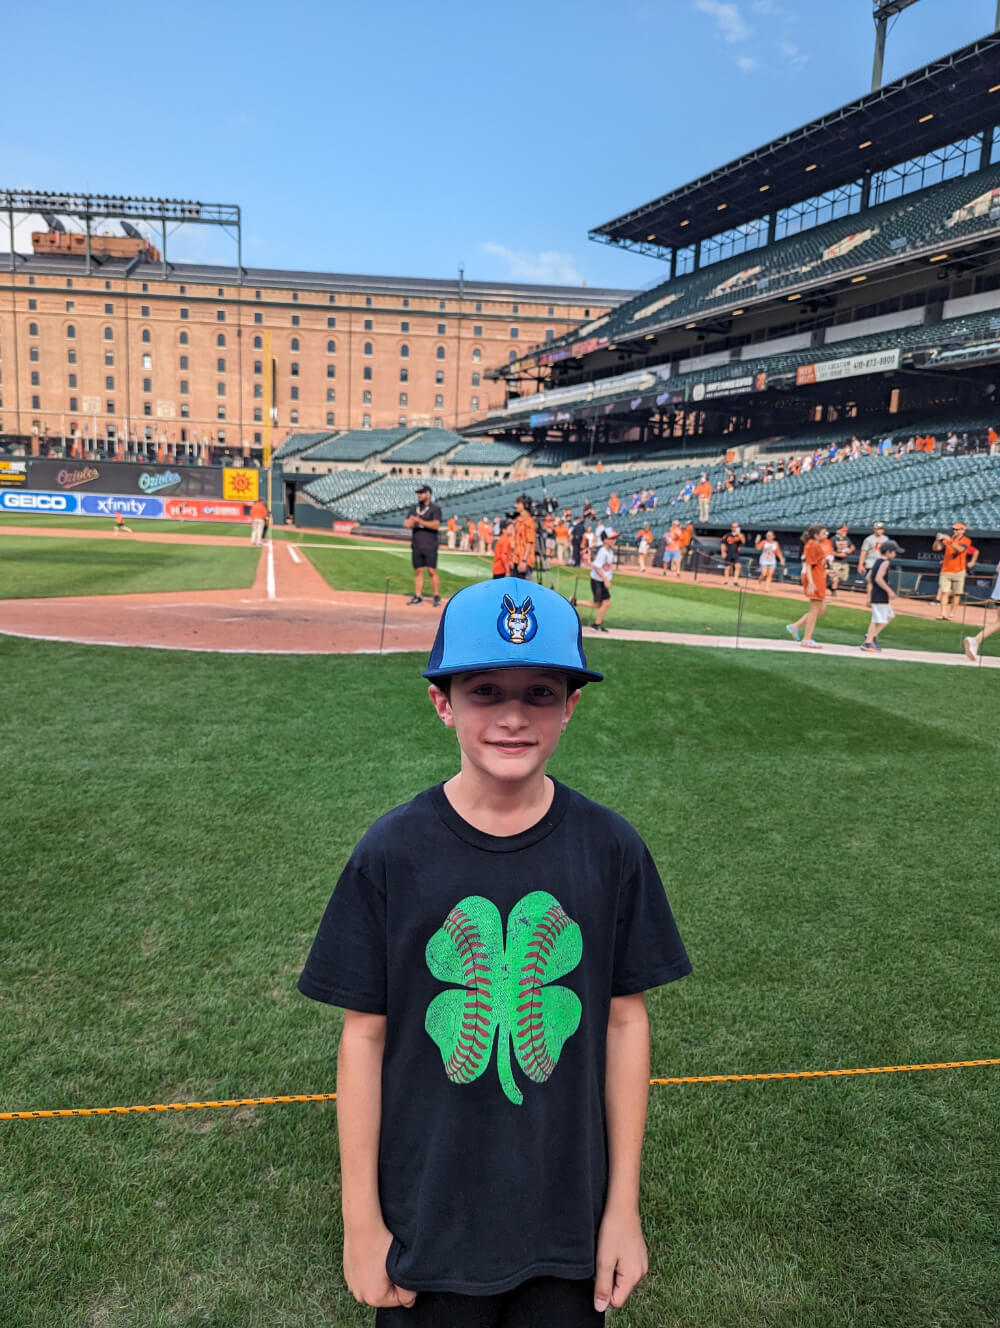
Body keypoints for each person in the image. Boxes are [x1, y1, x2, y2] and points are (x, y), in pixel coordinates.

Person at [297, 577, 691, 1326]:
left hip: (566, 1227)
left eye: (541, 692)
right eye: (484, 690)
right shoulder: (392, 853)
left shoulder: (611, 849)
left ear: (571, 706)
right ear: (442, 702)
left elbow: (623, 1024)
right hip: (428, 1223)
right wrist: (360, 1225)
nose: (512, 715)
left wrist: (623, 1209)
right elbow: (364, 1039)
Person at [787, 524, 828, 649]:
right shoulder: (811, 546)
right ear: (816, 535)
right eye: (824, 533)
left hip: (819, 576)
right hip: (814, 578)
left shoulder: (815, 545)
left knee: (821, 609)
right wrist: (811, 582)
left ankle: (796, 626)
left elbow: (817, 564)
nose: (826, 535)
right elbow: (809, 566)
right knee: (815, 610)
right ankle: (807, 639)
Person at [403, 484, 442, 607]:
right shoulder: (414, 509)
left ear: (428, 494)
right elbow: (406, 524)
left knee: (431, 570)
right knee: (418, 571)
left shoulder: (435, 509)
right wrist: (414, 523)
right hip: (417, 544)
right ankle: (418, 596)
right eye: (418, 493)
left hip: (430, 545)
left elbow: (435, 525)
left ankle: (436, 596)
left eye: (421, 493)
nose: (419, 495)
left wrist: (420, 521)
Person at [861, 540, 903, 652]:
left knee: (890, 615)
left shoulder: (877, 561)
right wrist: (889, 591)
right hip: (880, 595)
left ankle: (871, 635)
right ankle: (868, 643)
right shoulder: (885, 563)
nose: (895, 554)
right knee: (877, 620)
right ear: (888, 552)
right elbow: (878, 578)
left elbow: (868, 578)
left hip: (877, 593)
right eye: (894, 552)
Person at [933, 521, 974, 621]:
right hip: (946, 570)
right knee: (944, 592)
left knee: (957, 594)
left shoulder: (966, 540)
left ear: (963, 531)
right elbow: (936, 548)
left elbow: (960, 549)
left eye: (957, 529)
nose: (955, 531)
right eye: (954, 529)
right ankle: (942, 613)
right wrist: (937, 540)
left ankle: (951, 614)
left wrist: (949, 541)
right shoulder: (948, 539)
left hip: (959, 570)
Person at [963, 562, 1000, 661]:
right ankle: (975, 640)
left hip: (998, 593)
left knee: (999, 622)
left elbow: (998, 569)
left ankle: (975, 641)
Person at [511, 495, 537, 580]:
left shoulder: (529, 522)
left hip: (524, 560)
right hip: (515, 559)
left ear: (524, 505)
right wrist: (512, 558)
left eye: (518, 503)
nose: (516, 506)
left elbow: (530, 542)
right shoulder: (518, 520)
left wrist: (524, 560)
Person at [829, 525, 856, 594]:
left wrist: (850, 550)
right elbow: (829, 550)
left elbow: (852, 546)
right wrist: (838, 554)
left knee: (844, 578)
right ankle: (834, 591)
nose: (845, 532)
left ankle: (831, 586)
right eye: (843, 530)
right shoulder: (833, 539)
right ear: (839, 531)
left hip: (844, 561)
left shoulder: (846, 538)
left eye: (846, 531)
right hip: (835, 561)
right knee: (835, 577)